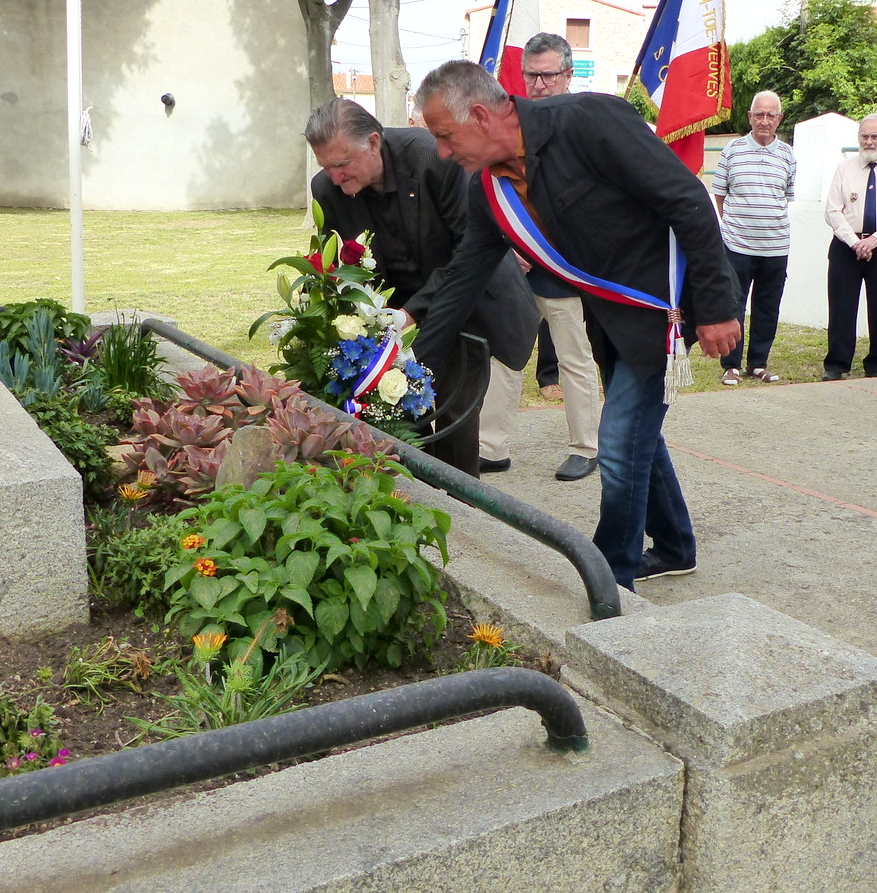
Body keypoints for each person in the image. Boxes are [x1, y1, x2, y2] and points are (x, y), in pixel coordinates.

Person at [408, 61, 741, 591]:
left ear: (478, 115)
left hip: (670, 306)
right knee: (636, 438)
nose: (445, 153)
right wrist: (411, 368)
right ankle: (676, 545)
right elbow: (461, 282)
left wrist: (720, 307)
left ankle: (610, 580)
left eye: (446, 137)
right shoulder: (488, 191)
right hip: (611, 318)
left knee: (616, 442)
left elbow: (688, 200)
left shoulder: (589, 119)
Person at [305, 97, 539, 476]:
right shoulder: (327, 190)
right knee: (399, 418)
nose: (335, 177)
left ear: (374, 143)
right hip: (394, 318)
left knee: (455, 419)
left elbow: (469, 252)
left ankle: (462, 509)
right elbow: (343, 267)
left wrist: (411, 313)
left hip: (467, 303)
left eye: (343, 164)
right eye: (326, 167)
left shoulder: (435, 160)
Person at [476, 32, 602, 481]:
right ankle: (490, 447)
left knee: (573, 357)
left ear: (568, 75)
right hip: (515, 265)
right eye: (532, 74)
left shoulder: (583, 127)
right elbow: (495, 193)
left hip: (563, 264)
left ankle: (586, 447)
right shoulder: (511, 127)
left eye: (549, 75)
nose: (540, 83)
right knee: (506, 353)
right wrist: (512, 246)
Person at [709, 89, 796, 385]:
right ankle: (730, 364)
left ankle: (758, 363)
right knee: (734, 304)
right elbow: (720, 196)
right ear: (749, 116)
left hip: (775, 247)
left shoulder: (787, 154)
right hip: (737, 245)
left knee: (768, 308)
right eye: (759, 114)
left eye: (771, 115)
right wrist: (735, 226)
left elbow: (785, 196)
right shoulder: (732, 150)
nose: (764, 121)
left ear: (779, 118)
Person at [822, 113, 877, 380]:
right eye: (864, 136)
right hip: (846, 246)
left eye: (875, 136)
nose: (869, 142)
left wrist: (874, 240)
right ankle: (836, 364)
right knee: (841, 307)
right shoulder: (844, 168)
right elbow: (833, 211)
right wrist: (855, 241)